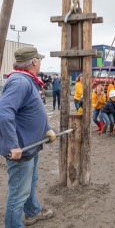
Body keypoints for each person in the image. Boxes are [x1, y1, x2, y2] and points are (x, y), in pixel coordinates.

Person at [0, 46, 57, 227]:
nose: (40, 62)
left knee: (30, 183)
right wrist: (12, 145)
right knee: (18, 194)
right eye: (39, 59)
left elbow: (33, 109)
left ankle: (32, 212)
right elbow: (4, 113)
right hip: (21, 150)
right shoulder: (19, 82)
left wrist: (46, 128)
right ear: (34, 61)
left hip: (31, 146)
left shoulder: (27, 80)